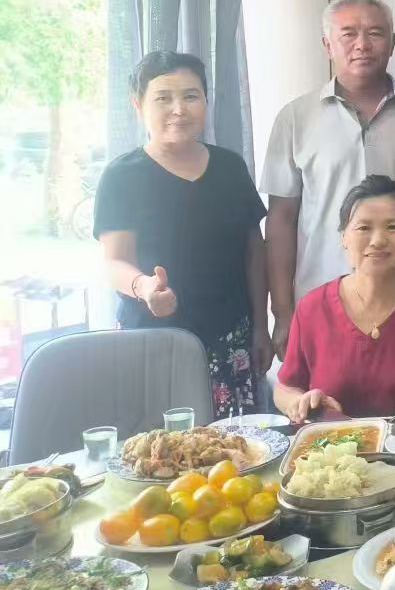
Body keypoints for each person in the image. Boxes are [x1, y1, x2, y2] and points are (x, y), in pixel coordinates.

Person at [262, 0, 395, 358]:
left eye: (375, 33)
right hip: (320, 303)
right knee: (322, 395)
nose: (362, 44)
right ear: (327, 44)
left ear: (392, 43)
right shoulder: (295, 118)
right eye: (348, 34)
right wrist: (282, 313)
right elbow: (281, 220)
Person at [94, 51, 269, 415]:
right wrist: (144, 287)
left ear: (206, 101)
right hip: (156, 337)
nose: (179, 109)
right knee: (163, 444)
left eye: (191, 96)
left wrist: (260, 327)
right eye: (163, 98)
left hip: (230, 337)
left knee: (236, 444)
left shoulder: (230, 167)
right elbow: (114, 262)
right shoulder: (122, 176)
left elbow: (254, 251)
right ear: (139, 105)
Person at [275, 176, 395, 422]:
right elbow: (285, 388)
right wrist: (300, 403)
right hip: (332, 444)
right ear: (343, 237)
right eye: (363, 228)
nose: (378, 241)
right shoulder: (312, 308)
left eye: (392, 227)